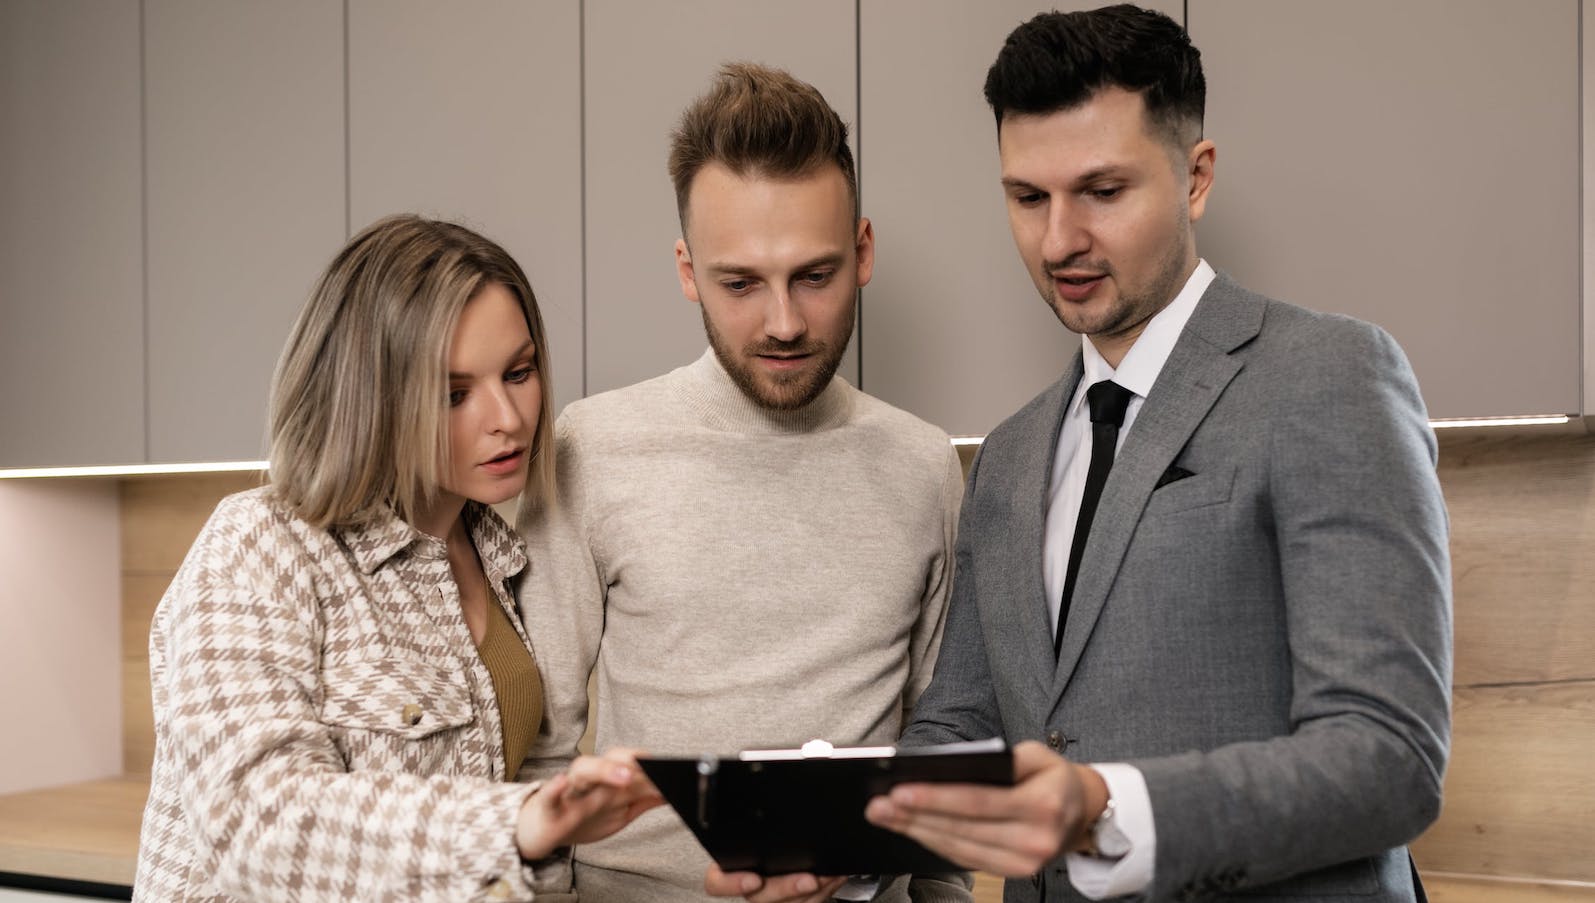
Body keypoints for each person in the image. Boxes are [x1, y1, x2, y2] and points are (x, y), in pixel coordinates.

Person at [862, 6, 1452, 902]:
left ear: (1196, 177)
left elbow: (1389, 757)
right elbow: (965, 720)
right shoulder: (1009, 455)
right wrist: (836, 842)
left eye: (1101, 191)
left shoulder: (1328, 376)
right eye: (1027, 197)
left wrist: (1106, 805)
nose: (1058, 240)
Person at [517, 64, 970, 903]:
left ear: (862, 252)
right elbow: (540, 749)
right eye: (739, 284)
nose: (785, 323)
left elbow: (937, 746)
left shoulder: (921, 463)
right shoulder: (593, 445)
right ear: (688, 270)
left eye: (815, 275)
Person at [133, 215, 661, 902]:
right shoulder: (259, 545)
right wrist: (516, 821)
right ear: (372, 397)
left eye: (519, 371)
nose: (507, 417)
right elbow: (260, 829)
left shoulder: (499, 553)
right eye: (453, 394)